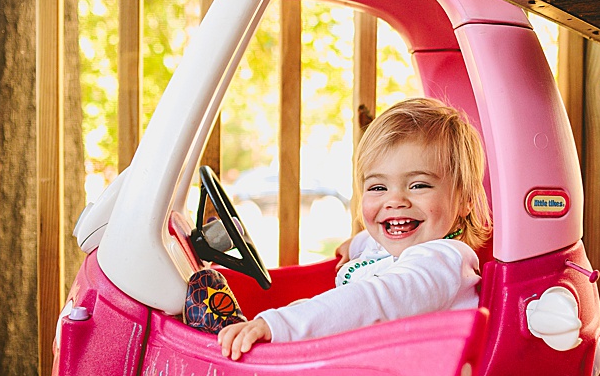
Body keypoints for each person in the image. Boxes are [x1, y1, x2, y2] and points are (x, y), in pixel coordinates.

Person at [191, 97, 491, 360]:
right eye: (377, 187)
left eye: (419, 185)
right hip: (359, 370)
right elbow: (375, 244)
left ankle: (229, 344)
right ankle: (231, 334)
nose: (395, 200)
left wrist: (279, 324)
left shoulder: (443, 261)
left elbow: (374, 300)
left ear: (464, 201)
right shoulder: (399, 246)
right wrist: (357, 244)